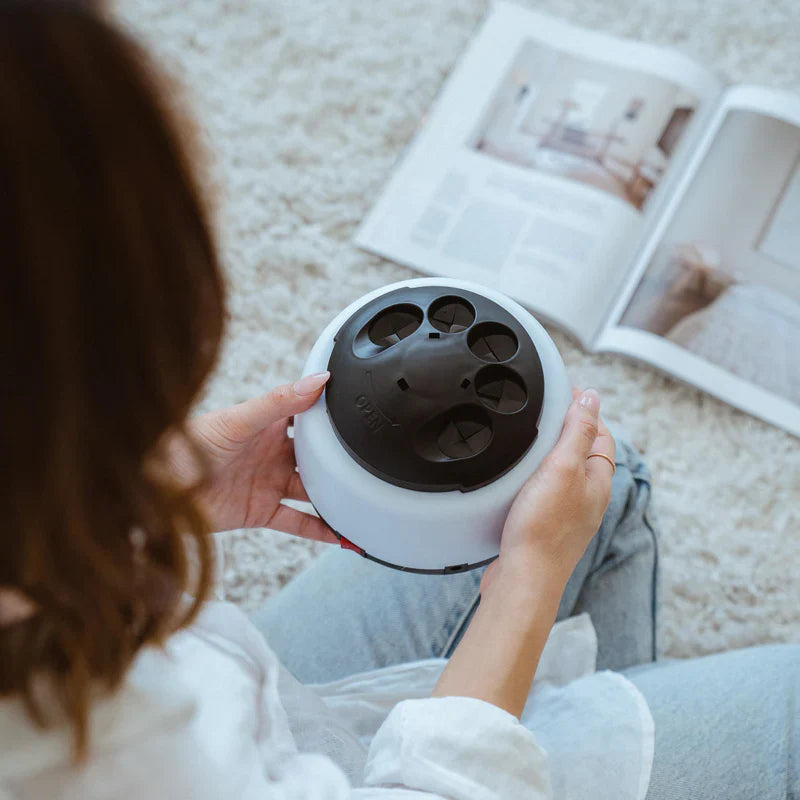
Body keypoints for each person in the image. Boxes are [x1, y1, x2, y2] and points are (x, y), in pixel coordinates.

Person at [0, 2, 797, 799]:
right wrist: (525, 582)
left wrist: (139, 496)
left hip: (248, 707)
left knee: (597, 478)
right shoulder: (101, 757)